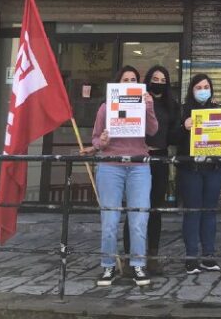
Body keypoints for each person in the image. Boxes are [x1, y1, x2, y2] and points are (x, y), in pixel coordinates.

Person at [91, 65, 159, 287]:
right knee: (110, 220)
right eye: (125, 79)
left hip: (139, 166)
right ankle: (108, 266)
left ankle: (138, 265)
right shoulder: (105, 108)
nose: (129, 82)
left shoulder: (144, 104)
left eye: (134, 79)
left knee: (139, 219)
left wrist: (149, 107)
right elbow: (95, 140)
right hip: (111, 166)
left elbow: (153, 131)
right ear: (117, 84)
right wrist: (101, 142)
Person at [170, 73, 221, 274]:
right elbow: (171, 138)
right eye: (198, 87)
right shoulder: (183, 111)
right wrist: (183, 127)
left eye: (206, 86)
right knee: (192, 212)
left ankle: (208, 256)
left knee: (210, 212)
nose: (203, 90)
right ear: (192, 90)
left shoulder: (219, 110)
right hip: (191, 170)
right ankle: (191, 257)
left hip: (213, 169)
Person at [121, 65, 179, 276]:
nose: (159, 83)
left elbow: (174, 135)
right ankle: (130, 257)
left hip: (160, 158)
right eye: (155, 78)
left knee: (155, 209)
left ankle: (152, 256)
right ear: (147, 79)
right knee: (135, 209)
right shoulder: (137, 99)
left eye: (163, 80)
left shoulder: (171, 105)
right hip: (139, 157)